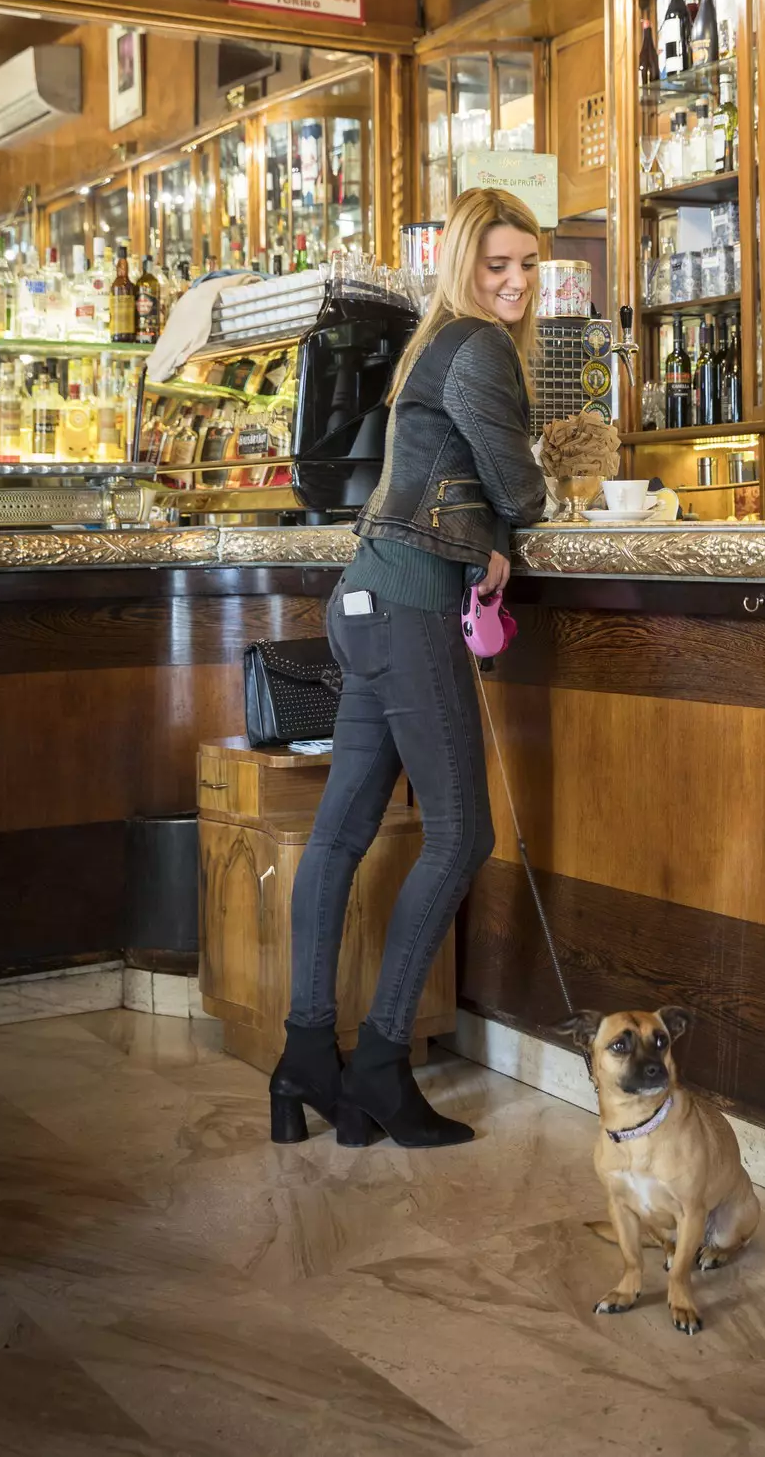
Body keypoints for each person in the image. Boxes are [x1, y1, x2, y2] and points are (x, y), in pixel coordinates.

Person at [270, 186, 546, 1150]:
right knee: (463, 833)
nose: (514, 283)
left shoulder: (434, 342)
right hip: (411, 608)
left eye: (525, 265)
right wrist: (514, 520)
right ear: (463, 266)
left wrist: (489, 535)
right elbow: (518, 482)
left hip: (363, 600)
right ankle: (382, 1065)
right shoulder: (477, 347)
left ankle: (307, 1056)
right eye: (496, 265)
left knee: (342, 834)